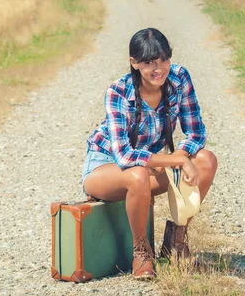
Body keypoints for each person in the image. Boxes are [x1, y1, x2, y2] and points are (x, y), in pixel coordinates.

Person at [81, 28, 218, 280]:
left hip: (147, 168)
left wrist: (183, 155)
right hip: (105, 168)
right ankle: (142, 252)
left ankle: (175, 243)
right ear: (134, 63)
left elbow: (196, 133)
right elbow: (123, 156)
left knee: (206, 160)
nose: (159, 69)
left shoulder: (179, 78)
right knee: (136, 175)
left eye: (164, 59)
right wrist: (177, 160)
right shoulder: (118, 91)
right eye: (149, 63)